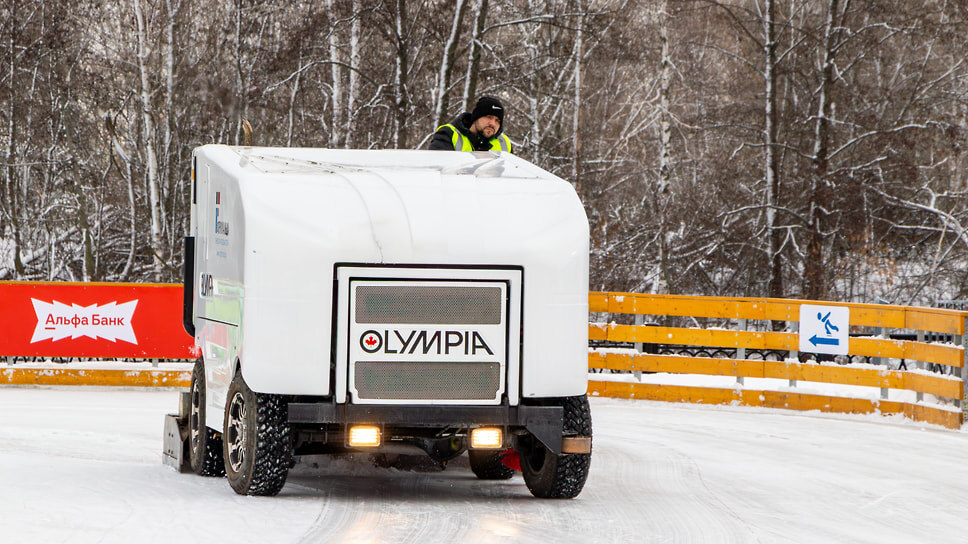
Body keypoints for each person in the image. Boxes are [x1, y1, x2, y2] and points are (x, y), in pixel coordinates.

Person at [429, 96, 512, 152]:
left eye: (497, 120)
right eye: (488, 117)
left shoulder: (504, 143)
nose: (492, 123)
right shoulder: (449, 134)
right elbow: (437, 169)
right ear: (476, 117)